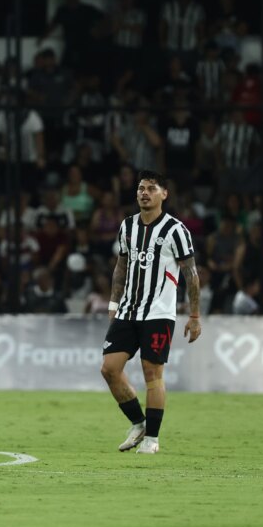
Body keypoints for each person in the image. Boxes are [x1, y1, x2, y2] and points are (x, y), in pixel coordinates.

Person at [100, 170, 201, 456]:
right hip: (128, 311)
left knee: (152, 373)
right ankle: (138, 423)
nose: (144, 193)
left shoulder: (176, 230)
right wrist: (113, 303)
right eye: (141, 188)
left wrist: (194, 316)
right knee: (109, 369)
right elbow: (121, 266)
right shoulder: (128, 226)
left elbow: (191, 274)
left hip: (158, 312)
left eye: (151, 188)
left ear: (164, 194)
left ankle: (152, 440)